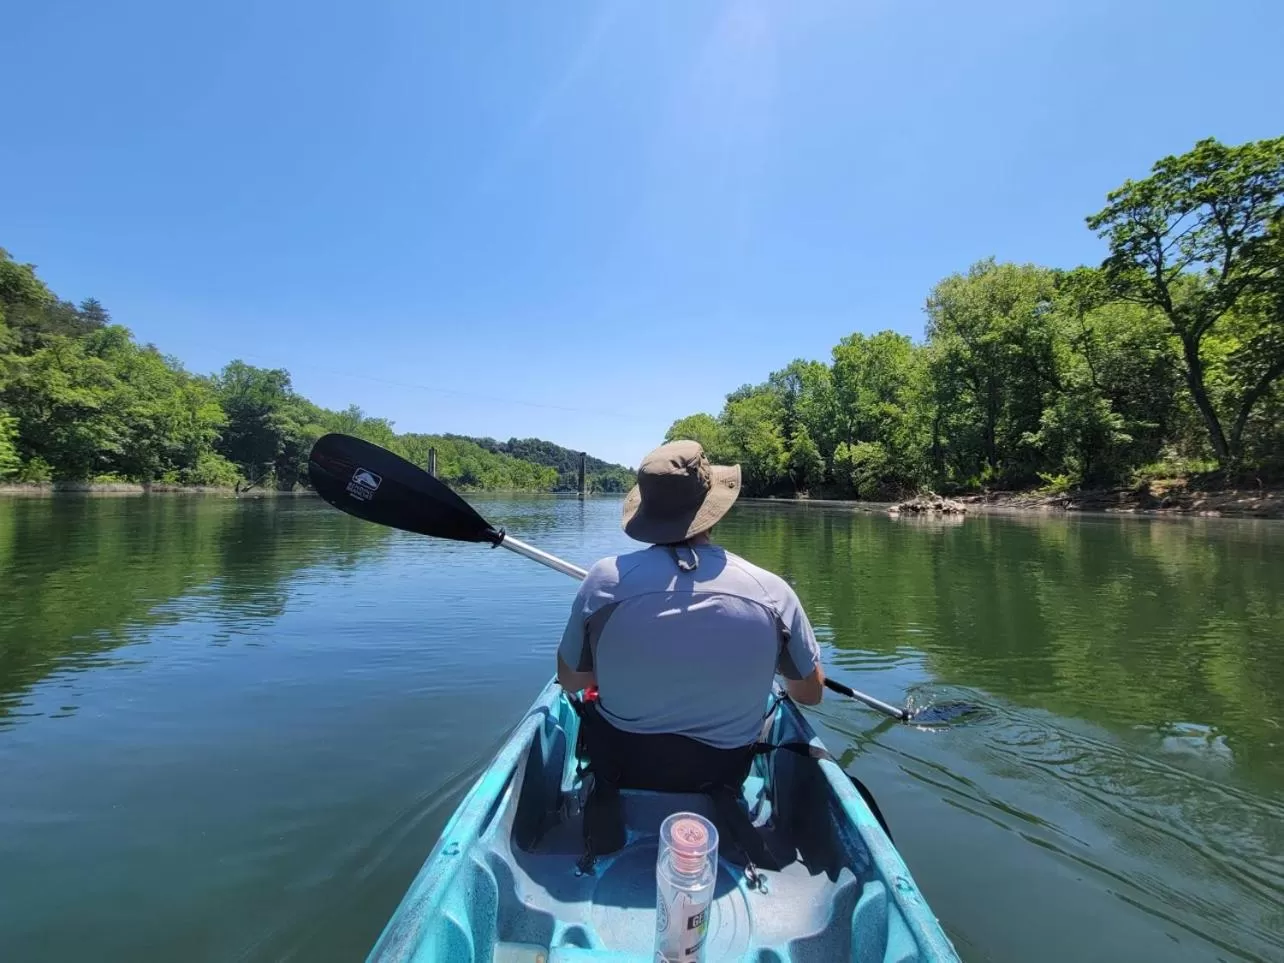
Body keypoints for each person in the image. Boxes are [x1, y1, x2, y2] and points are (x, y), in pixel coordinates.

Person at [556, 439, 825, 806]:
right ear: (713, 509)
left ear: (646, 511)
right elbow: (809, 694)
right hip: (723, 775)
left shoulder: (603, 580)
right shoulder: (772, 591)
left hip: (623, 768)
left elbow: (572, 681)